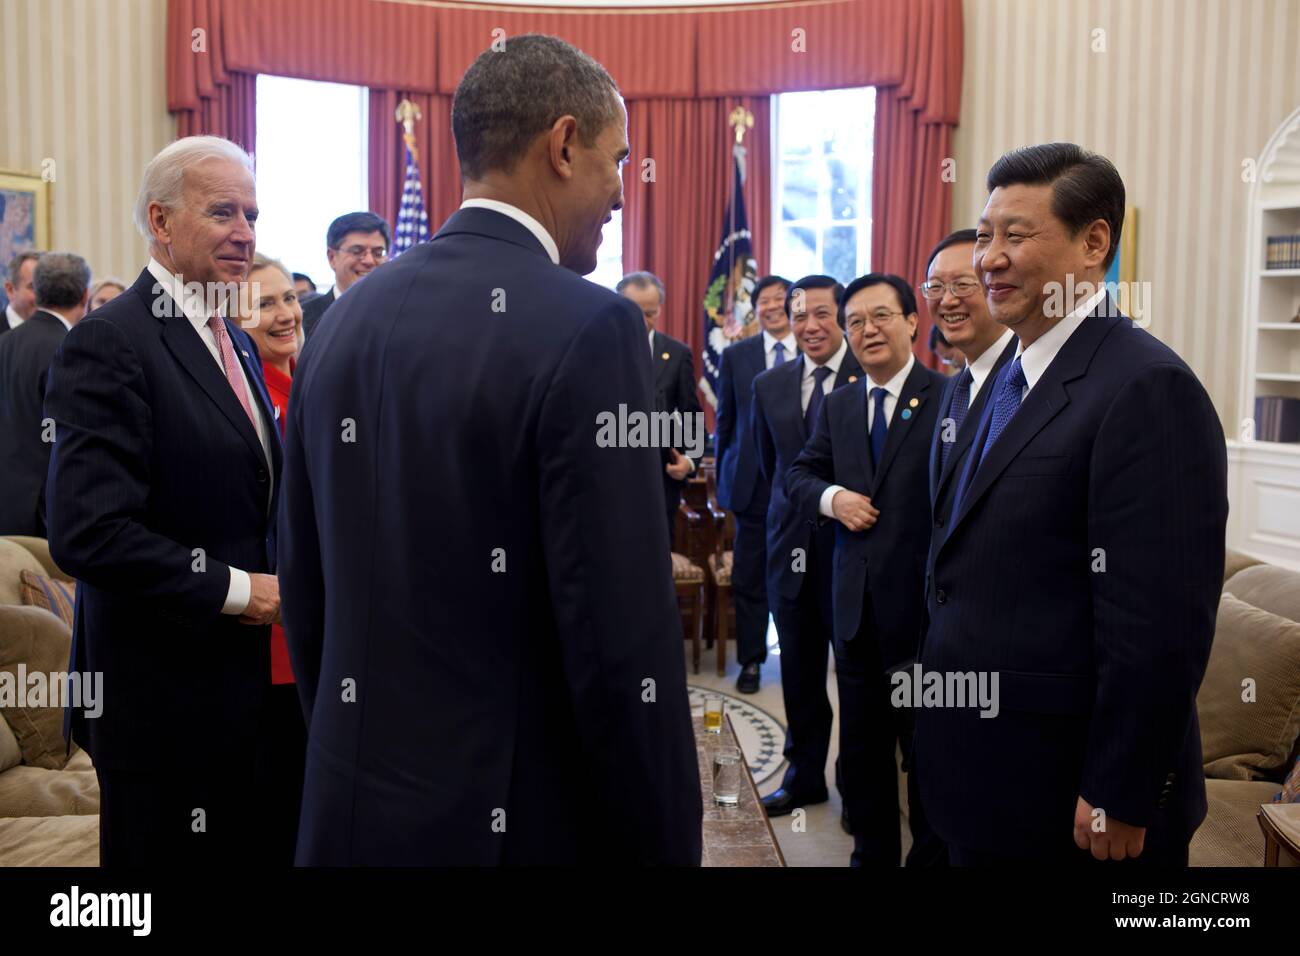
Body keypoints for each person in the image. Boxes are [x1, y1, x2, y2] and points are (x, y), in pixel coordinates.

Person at [279, 34, 702, 866]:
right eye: (618, 161)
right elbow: (619, 635)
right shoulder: (591, 325)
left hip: (350, 804)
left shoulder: (339, 323)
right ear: (565, 143)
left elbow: (305, 576)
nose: (622, 192)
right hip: (514, 819)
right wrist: (662, 837)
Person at [917, 143, 1227, 866]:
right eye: (985, 233)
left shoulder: (1146, 387)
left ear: (1094, 243)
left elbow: (1159, 623)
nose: (989, 257)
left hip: (1071, 796)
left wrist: (1123, 789)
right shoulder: (1001, 377)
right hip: (979, 767)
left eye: (1015, 235)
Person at [44, 135, 285, 866]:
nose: (244, 232)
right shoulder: (112, 342)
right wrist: (244, 592)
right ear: (161, 219)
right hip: (159, 706)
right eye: (222, 213)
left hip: (242, 699)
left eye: (251, 213)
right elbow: (87, 533)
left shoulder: (234, 340)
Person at [786, 273, 947, 867]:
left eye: (881, 316)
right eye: (855, 322)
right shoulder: (842, 402)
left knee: (928, 756)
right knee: (863, 754)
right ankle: (870, 860)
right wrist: (834, 499)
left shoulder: (951, 398)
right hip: (855, 617)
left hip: (927, 618)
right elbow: (799, 475)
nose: (867, 331)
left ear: (912, 320)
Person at [751, 275, 861, 815]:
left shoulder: (871, 374)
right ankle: (805, 776)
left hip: (854, 552)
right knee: (798, 671)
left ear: (841, 315)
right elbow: (774, 469)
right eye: (800, 315)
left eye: (822, 313)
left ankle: (858, 786)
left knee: (856, 675)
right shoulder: (768, 385)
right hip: (789, 548)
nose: (810, 326)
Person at [234, 250, 309, 863]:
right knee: (281, 792)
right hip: (275, 626)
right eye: (265, 304)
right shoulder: (254, 400)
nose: (285, 313)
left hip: (320, 621)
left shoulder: (305, 380)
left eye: (288, 297)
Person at [714, 274, 792, 694]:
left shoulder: (814, 351)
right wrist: (724, 481)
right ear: (755, 308)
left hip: (802, 486)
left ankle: (802, 653)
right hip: (752, 487)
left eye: (781, 298)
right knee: (749, 576)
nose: (772, 306)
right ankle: (750, 662)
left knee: (801, 577)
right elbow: (725, 421)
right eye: (764, 300)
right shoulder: (737, 356)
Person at [922, 229, 1017, 542]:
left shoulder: (1024, 379)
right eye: (935, 287)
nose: (948, 300)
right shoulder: (955, 387)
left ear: (995, 286)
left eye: (962, 284)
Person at [0, 253, 91, 536]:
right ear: (85, 295)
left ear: (37, 292)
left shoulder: (4, 342)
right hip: (45, 513)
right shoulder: (73, 348)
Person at [616, 271, 703, 549]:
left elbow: (692, 415)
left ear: (660, 309)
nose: (642, 322)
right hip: (611, 480)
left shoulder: (677, 354)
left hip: (661, 481)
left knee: (658, 560)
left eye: (650, 313)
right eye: (633, 312)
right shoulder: (596, 349)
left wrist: (689, 462)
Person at [300, 211, 390, 338]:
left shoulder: (402, 313)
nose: (369, 261)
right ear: (332, 258)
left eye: (378, 252)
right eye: (357, 251)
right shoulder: (303, 318)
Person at [2, 251, 39, 333]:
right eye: (33, 287)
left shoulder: (61, 332)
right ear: (10, 290)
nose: (42, 296)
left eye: (45, 287)